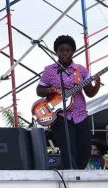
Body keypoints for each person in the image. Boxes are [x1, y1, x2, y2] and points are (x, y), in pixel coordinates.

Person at [36, 35, 101, 169]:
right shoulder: (49, 70)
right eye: (61, 50)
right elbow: (39, 90)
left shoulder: (81, 70)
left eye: (68, 50)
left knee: (84, 149)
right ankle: (71, 178)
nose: (65, 53)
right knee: (68, 150)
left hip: (80, 115)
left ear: (73, 52)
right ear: (56, 52)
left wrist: (97, 83)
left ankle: (79, 175)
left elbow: (90, 93)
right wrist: (52, 89)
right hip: (60, 116)